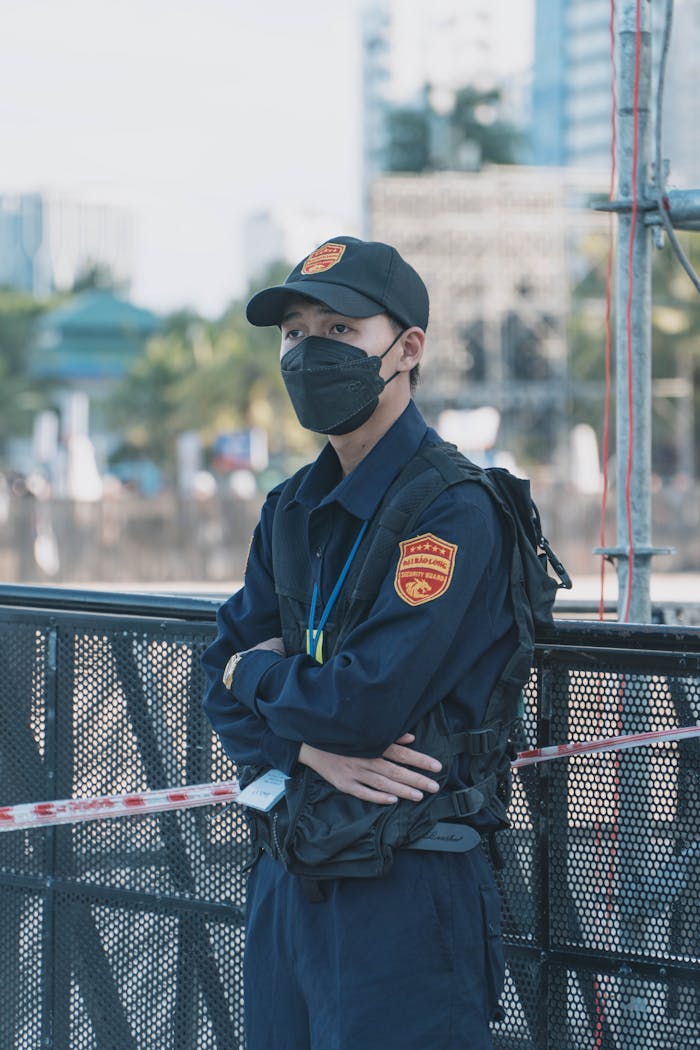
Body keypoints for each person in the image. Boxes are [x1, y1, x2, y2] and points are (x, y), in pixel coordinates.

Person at [202, 235, 518, 1049]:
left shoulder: (452, 510)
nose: (310, 352)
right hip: (289, 868)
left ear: (406, 349)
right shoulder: (290, 508)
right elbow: (216, 676)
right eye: (295, 333)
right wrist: (299, 751)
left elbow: (362, 702)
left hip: (403, 886)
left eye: (340, 331)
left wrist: (259, 677)